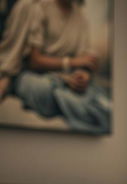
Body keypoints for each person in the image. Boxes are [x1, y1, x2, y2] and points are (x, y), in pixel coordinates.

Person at [8, 0, 111, 133]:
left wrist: (83, 75)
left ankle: (81, 107)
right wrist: (72, 63)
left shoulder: (81, 18)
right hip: (36, 76)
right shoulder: (39, 8)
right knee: (42, 88)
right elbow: (33, 62)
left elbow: (84, 61)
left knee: (90, 90)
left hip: (65, 77)